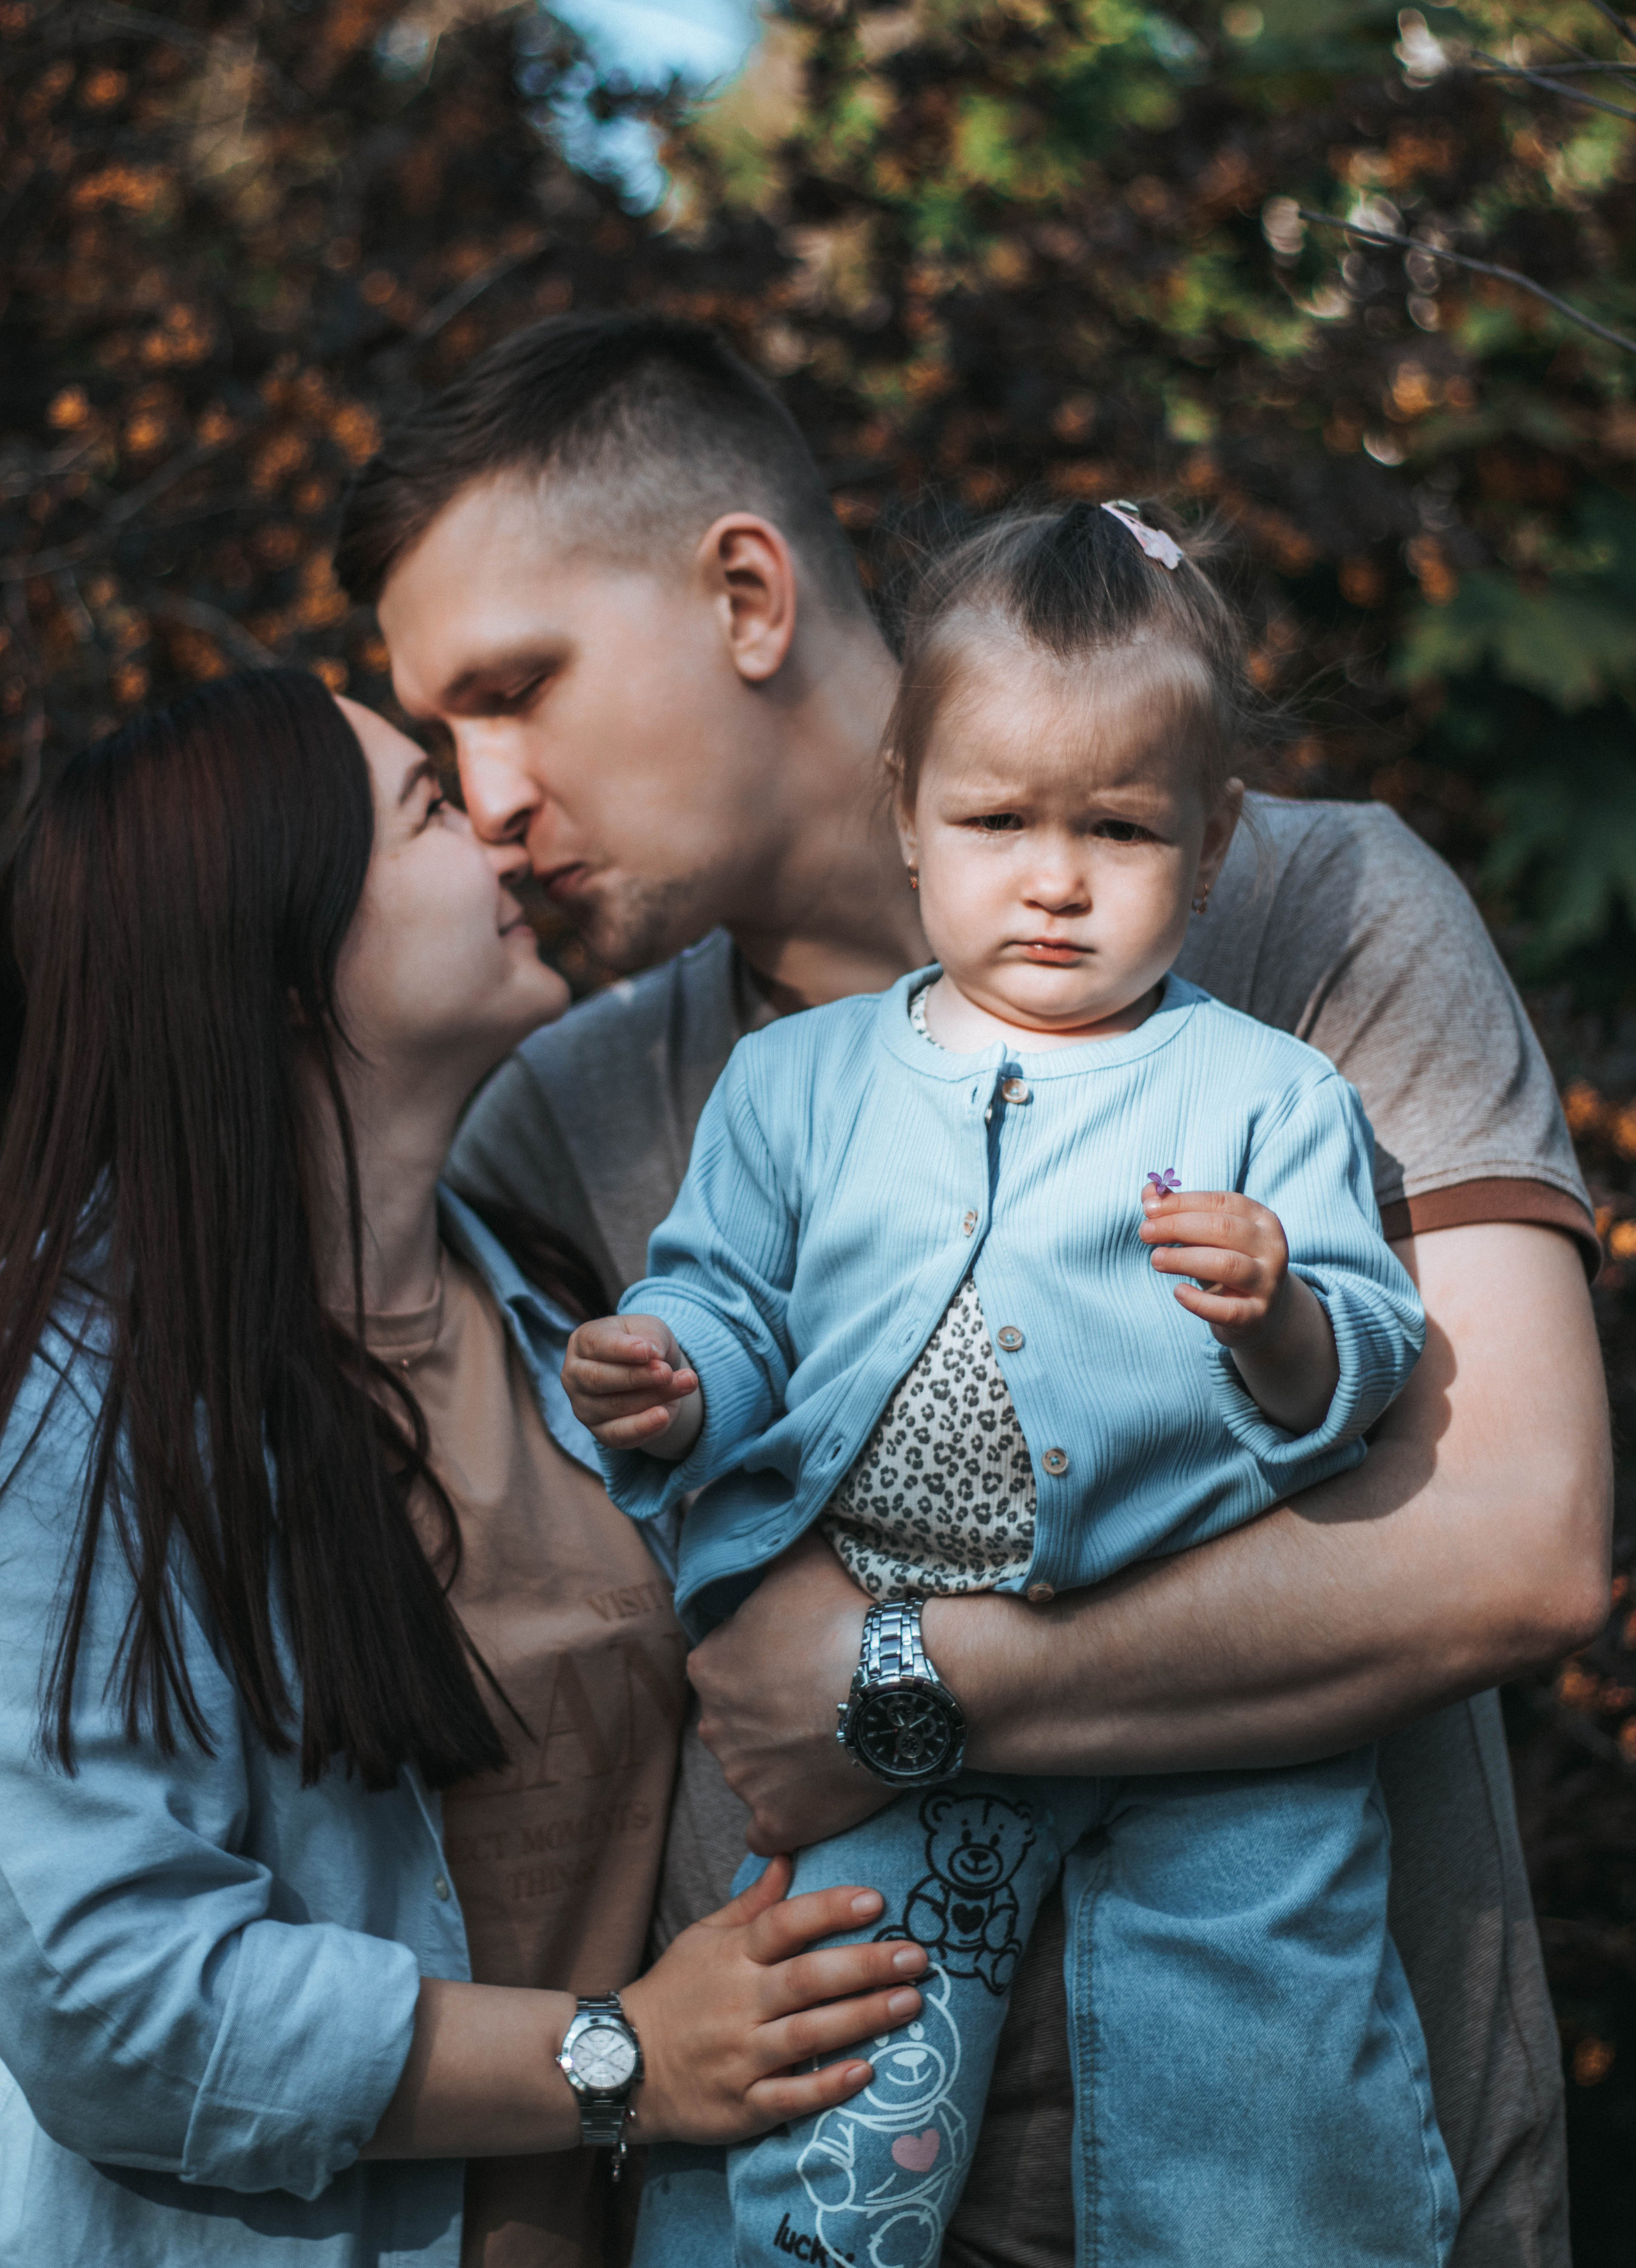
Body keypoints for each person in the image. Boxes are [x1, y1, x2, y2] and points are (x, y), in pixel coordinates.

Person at [339, 312, 1613, 2268]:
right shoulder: (565, 1116)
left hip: (1343, 2178)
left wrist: (918, 1686)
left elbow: (1519, 1545)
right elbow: (559, 1754)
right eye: (443, 747)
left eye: (516, 692)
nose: (489, 795)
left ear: (748, 593)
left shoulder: (1319, 917)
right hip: (829, 2185)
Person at [564, 498, 1455, 2267]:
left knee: (1266, 2084)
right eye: (996, 821)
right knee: (843, 2064)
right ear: (905, 813)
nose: (1053, 879)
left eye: (1118, 830)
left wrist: (1281, 1311)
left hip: (1213, 1698)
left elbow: (1366, 1358)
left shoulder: (1263, 1094)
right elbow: (733, 1302)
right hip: (895, 1695)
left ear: (1208, 848)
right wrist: (680, 1376)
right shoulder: (798, 1085)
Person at [0, 668, 930, 2268]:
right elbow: (110, 1996)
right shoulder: (81, 1408)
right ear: (284, 962)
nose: (498, 830)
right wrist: (622, 2055)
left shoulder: (564, 1308)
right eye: (426, 807)